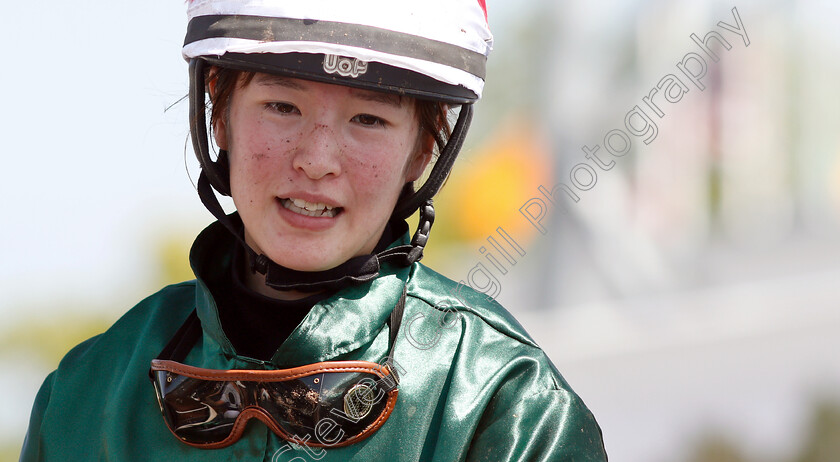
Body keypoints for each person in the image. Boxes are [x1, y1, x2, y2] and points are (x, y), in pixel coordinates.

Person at [21, 1, 607, 460]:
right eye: (282, 106)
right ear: (218, 113)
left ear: (423, 152)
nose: (318, 159)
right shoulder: (84, 397)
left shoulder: (503, 404)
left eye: (369, 118)